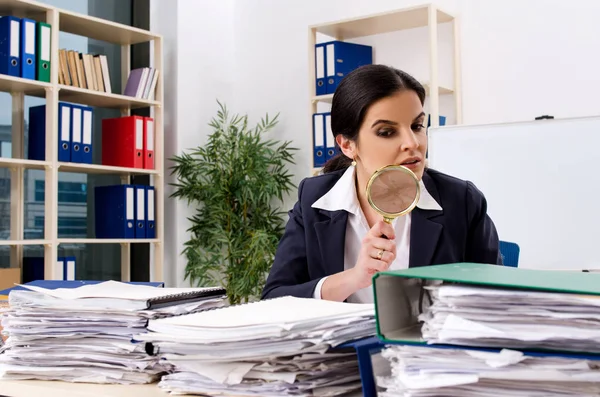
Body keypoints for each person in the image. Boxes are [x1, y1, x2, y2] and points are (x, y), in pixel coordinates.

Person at [261, 64, 502, 303]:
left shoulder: (461, 200)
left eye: (417, 126)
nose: (412, 143)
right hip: (342, 342)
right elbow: (275, 298)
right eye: (387, 132)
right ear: (347, 145)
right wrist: (354, 278)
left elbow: (497, 299)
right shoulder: (314, 199)